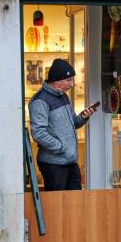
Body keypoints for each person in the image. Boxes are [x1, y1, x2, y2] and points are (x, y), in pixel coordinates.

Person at [29, 58, 98, 191]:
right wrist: (60, 147)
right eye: (69, 80)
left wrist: (83, 116)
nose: (72, 84)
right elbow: (38, 133)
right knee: (56, 208)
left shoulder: (63, 96)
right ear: (56, 81)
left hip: (70, 162)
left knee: (75, 204)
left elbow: (73, 122)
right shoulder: (40, 101)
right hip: (53, 164)